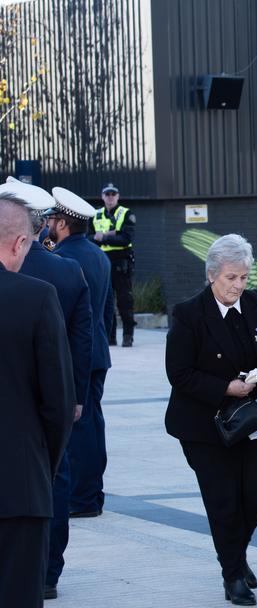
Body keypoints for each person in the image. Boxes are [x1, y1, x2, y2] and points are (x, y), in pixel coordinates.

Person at [165, 234, 257, 606]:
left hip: (253, 421)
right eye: (230, 278)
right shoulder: (189, 314)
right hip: (205, 426)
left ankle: (236, 553)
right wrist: (225, 387)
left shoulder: (254, 304)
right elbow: (179, 373)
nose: (238, 286)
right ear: (211, 276)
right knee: (223, 503)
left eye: (243, 278)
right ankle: (233, 575)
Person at [1, 181, 87, 602]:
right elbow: (58, 402)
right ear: (21, 242)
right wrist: (43, 467)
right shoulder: (37, 298)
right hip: (20, 487)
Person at [48, 187, 112, 519]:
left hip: (77, 354)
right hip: (97, 352)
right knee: (92, 424)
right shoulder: (98, 254)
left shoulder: (63, 259)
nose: (47, 226)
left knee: (80, 427)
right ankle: (92, 493)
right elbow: (109, 310)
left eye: (51, 220)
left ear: (62, 223)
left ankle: (83, 498)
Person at [91, 183, 136, 347]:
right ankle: (110, 337)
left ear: (117, 196)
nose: (110, 197)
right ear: (102, 196)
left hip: (121, 262)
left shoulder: (126, 213)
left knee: (124, 300)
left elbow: (126, 238)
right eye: (107, 194)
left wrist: (103, 237)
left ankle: (128, 335)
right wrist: (111, 235)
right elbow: (89, 237)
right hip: (102, 261)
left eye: (113, 194)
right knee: (106, 300)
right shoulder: (95, 214)